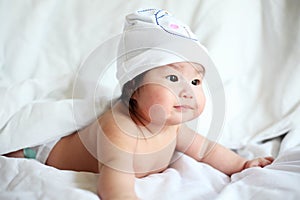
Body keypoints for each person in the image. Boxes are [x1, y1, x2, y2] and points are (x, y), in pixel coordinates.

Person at [4, 9, 274, 200]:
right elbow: (115, 185)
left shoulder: (172, 126)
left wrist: (242, 164)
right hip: (44, 152)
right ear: (133, 87)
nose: (187, 91)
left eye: (195, 82)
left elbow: (205, 151)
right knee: (13, 154)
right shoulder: (119, 130)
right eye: (172, 78)